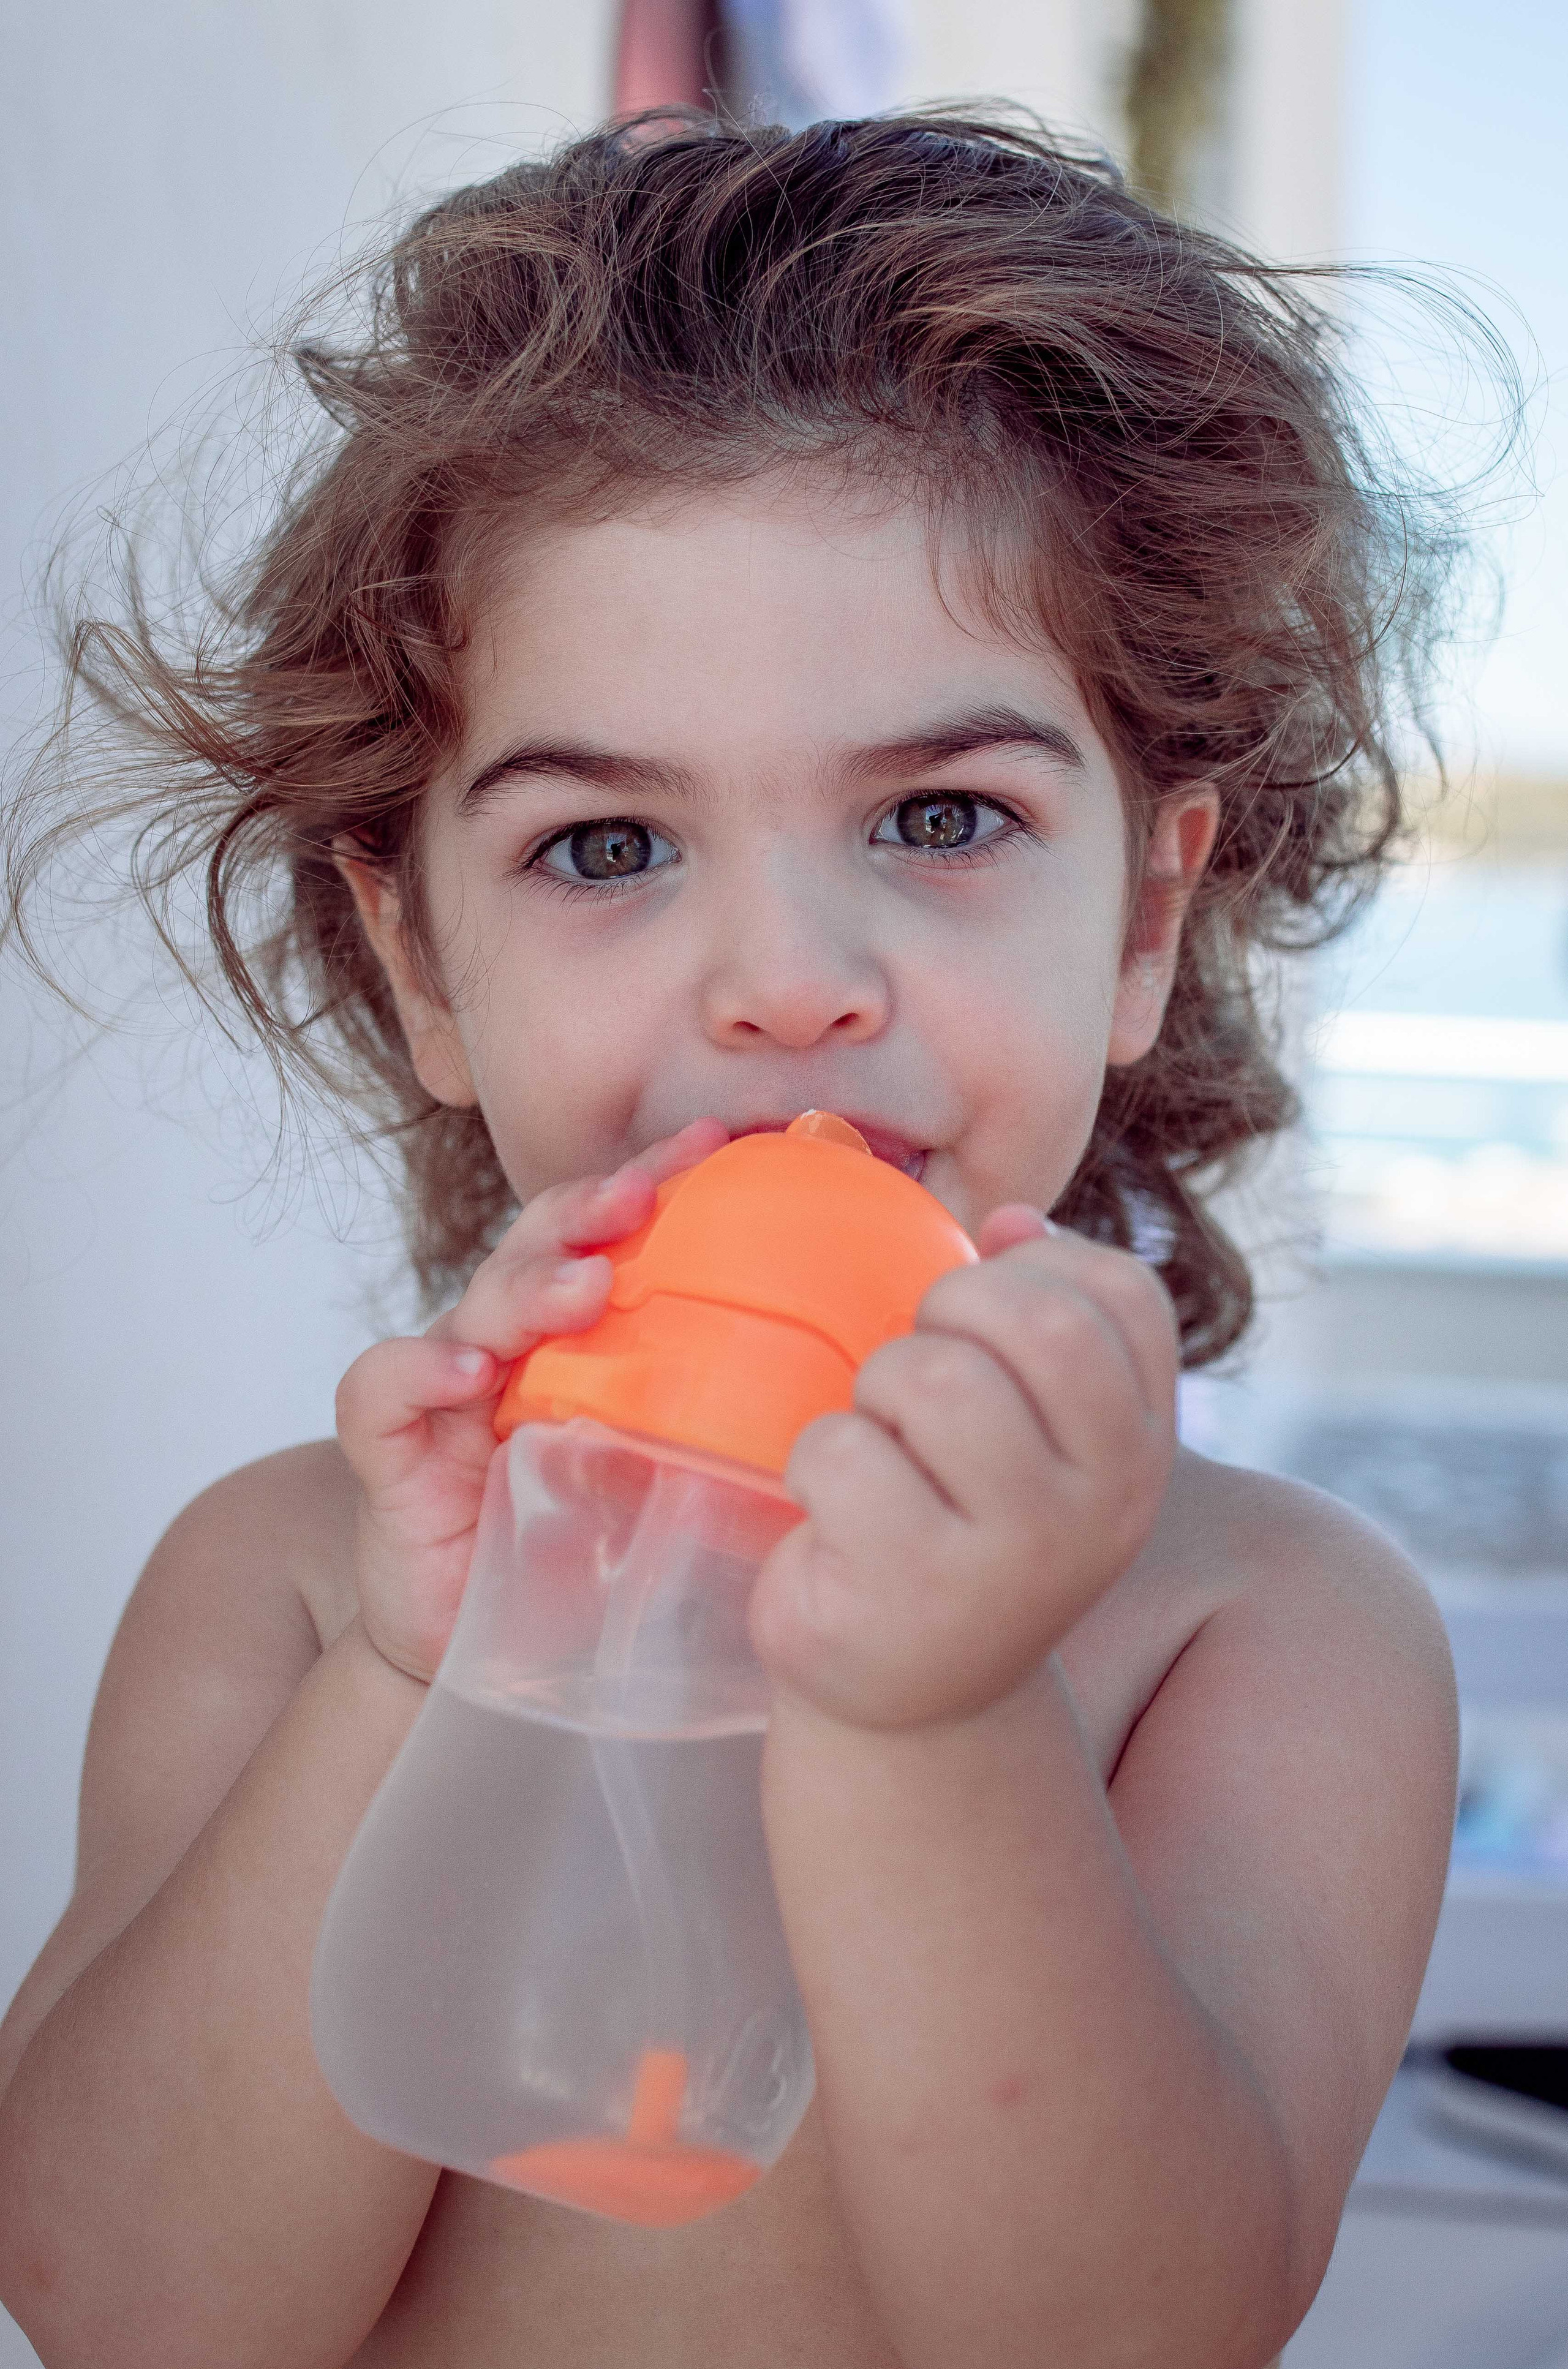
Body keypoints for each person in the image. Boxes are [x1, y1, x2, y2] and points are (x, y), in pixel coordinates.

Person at [0, 113, 1460, 2368]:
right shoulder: (291, 1585)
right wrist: (409, 1674)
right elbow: (125, 2305)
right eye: (606, 847)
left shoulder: (1258, 1626)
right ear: (420, 964)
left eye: (943, 815)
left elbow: (1134, 2334)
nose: (787, 981)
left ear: (1144, 919)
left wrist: (932, 1716)